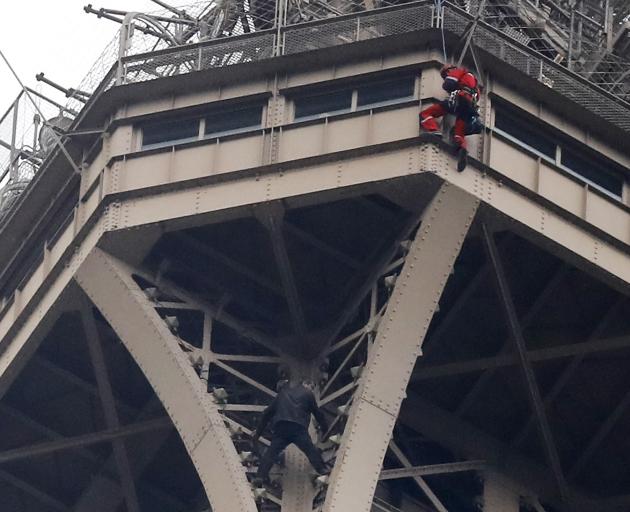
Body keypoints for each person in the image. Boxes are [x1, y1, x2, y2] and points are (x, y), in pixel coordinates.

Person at [253, 380, 329, 483]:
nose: (312, 389)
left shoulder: (282, 394)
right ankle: (322, 469)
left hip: (282, 426)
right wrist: (325, 429)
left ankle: (260, 476)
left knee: (271, 452)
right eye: (312, 386)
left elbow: (267, 414)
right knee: (310, 449)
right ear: (305, 385)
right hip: (298, 427)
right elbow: (317, 413)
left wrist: (258, 434)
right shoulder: (308, 394)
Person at [419, 64, 482, 171]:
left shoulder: (458, 71)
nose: (445, 76)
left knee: (425, 114)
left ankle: (434, 130)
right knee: (458, 133)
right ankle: (462, 148)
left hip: (459, 100)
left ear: (449, 70)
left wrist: (449, 85)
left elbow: (449, 83)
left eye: (445, 74)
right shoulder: (475, 84)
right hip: (469, 107)